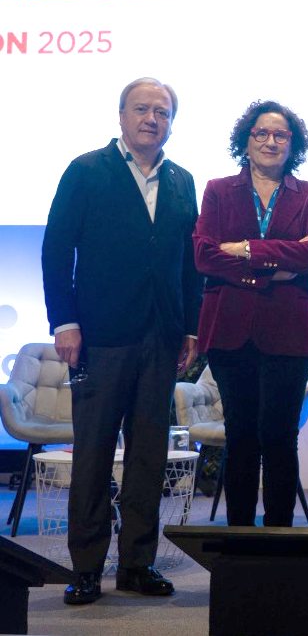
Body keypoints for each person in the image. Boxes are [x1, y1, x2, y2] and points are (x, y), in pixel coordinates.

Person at [42, 77, 201, 604]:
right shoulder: (86, 170)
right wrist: (64, 322)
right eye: (141, 109)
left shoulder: (182, 179)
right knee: (93, 454)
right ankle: (87, 568)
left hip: (162, 336)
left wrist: (191, 326)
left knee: (149, 456)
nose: (151, 119)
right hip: (101, 335)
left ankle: (137, 563)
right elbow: (56, 249)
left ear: (171, 122)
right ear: (121, 115)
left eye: (162, 111)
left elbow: (189, 262)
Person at [192, 100, 308, 527]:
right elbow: (204, 255)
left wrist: (247, 249)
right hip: (230, 331)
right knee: (241, 435)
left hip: (291, 332)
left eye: (280, 134)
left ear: (293, 143)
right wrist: (271, 271)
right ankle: (240, 536)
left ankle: (280, 536)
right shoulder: (218, 190)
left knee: (280, 436)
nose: (271, 141)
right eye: (261, 133)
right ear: (246, 141)